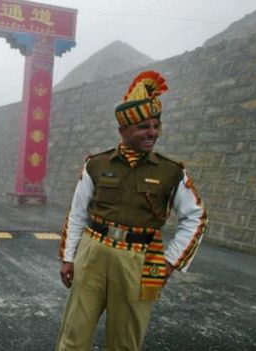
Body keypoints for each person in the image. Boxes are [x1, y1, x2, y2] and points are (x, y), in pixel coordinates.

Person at [56, 71, 208, 350]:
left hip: (140, 260)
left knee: (126, 340)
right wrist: (68, 257)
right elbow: (77, 212)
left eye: (155, 125)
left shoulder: (171, 170)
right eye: (143, 127)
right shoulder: (97, 164)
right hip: (92, 252)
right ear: (123, 131)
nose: (152, 132)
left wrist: (171, 261)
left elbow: (196, 216)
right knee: (74, 334)